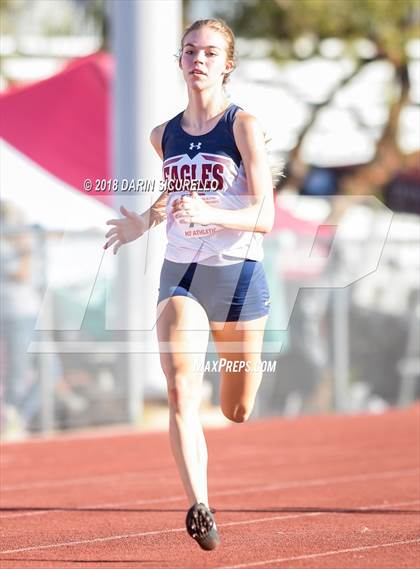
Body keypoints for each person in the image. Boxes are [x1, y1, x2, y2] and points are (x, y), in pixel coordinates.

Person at [104, 18, 275, 551]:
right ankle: (199, 503)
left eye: (209, 53)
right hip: (182, 273)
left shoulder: (241, 125)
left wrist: (215, 214)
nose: (197, 60)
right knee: (180, 385)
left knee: (236, 410)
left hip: (238, 276)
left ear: (228, 64)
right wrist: (145, 222)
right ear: (179, 62)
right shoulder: (164, 134)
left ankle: (234, 406)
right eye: (189, 51)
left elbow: (266, 214)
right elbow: (173, 191)